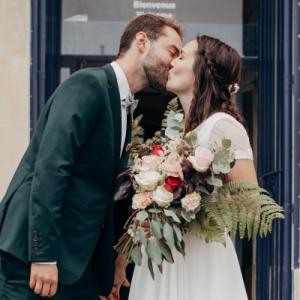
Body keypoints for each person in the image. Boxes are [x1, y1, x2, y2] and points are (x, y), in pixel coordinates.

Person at [0, 14, 182, 300]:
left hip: (77, 265)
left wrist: (110, 267)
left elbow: (103, 195)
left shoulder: (125, 108)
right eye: (172, 51)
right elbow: (51, 168)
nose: (175, 62)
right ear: (142, 41)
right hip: (34, 262)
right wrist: (44, 256)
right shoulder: (88, 84)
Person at [117, 35, 256, 300]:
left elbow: (249, 204)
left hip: (199, 262)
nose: (172, 62)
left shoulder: (223, 127)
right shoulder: (180, 135)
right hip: (163, 261)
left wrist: (184, 206)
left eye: (182, 56)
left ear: (202, 69)